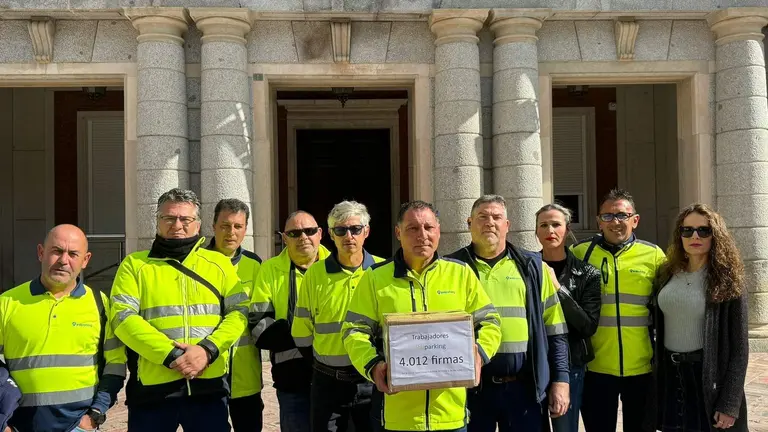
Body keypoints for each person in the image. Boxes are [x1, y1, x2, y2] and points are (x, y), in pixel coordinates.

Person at [343, 200, 502, 432]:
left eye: (428, 227)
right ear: (398, 233)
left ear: (439, 231)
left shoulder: (461, 274)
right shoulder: (375, 278)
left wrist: (479, 354)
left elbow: (490, 321)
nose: (422, 235)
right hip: (399, 418)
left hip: (451, 416)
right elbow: (354, 330)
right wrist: (373, 365)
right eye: (413, 228)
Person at [110, 188, 249, 432]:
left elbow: (239, 313)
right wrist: (173, 356)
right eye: (169, 218)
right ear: (157, 221)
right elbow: (123, 318)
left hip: (208, 386)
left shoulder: (219, 264)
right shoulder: (134, 265)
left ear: (198, 224)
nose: (177, 225)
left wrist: (207, 350)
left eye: (185, 219)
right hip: (152, 390)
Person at [447, 195, 570, 432]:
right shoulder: (451, 268)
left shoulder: (533, 267)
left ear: (507, 225)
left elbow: (556, 331)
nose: (489, 222)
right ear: (469, 223)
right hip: (470, 391)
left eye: (496, 217)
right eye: (482, 217)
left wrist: (561, 380)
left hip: (523, 389)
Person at [0, 224, 125, 432]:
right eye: (56, 251)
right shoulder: (7, 302)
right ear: (41, 252)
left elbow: (115, 364)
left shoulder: (100, 304)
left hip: (79, 427)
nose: (63, 260)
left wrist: (95, 415)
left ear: (85, 260)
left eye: (73, 254)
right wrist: (3, 423)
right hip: (19, 426)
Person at [646, 203, 748, 431]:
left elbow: (739, 349)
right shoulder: (666, 273)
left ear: (716, 236)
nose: (695, 236)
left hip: (707, 376)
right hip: (670, 375)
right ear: (679, 235)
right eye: (687, 230)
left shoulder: (728, 281)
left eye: (703, 230)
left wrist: (730, 403)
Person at [571, 188, 666, 432]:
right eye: (608, 216)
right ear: (598, 221)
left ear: (635, 220)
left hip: (642, 368)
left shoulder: (654, 255)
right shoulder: (580, 253)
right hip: (595, 368)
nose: (615, 222)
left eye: (623, 215)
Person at [292, 201, 385, 432]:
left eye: (355, 229)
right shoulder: (315, 274)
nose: (349, 236)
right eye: (341, 230)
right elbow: (302, 333)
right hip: (328, 382)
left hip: (373, 381)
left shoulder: (384, 271)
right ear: (331, 234)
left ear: (366, 231)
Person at [249, 211, 330, 432]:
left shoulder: (337, 266)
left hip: (334, 378)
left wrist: (290, 330)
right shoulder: (269, 270)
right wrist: (306, 333)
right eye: (294, 233)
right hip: (291, 379)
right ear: (284, 238)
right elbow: (258, 325)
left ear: (320, 233)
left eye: (309, 231)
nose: (303, 237)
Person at [535, 204, 601, 432]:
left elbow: (588, 326)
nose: (550, 230)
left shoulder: (587, 273)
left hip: (570, 364)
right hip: (533, 364)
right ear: (536, 232)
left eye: (556, 224)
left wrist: (558, 288)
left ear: (567, 229)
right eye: (543, 225)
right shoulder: (526, 268)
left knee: (565, 428)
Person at [208, 198, 264, 432]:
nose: (231, 232)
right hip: (207, 373)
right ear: (213, 226)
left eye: (238, 226)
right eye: (225, 225)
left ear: (245, 229)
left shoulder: (255, 265)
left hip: (246, 376)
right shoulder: (195, 263)